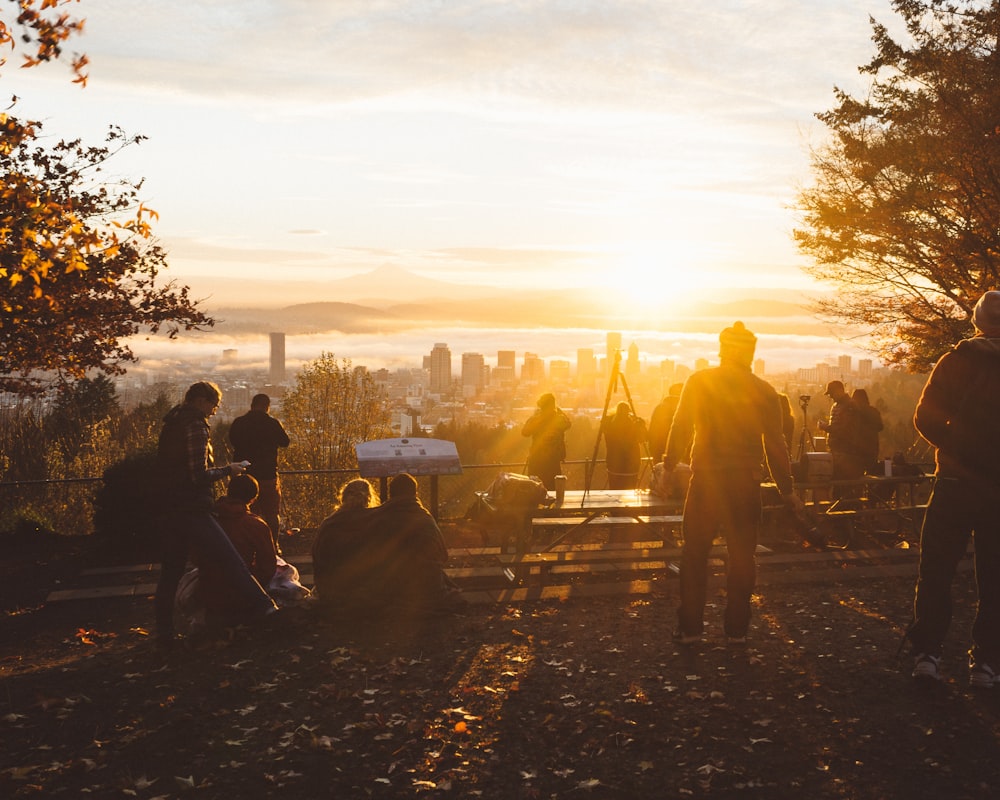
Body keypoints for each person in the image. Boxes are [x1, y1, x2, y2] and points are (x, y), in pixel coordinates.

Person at [661, 321, 803, 644]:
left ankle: (691, 629)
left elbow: (680, 426)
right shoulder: (764, 391)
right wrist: (788, 489)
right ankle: (736, 630)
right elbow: (776, 445)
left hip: (706, 480)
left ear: (722, 350)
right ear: (750, 354)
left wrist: (669, 466)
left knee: (695, 553)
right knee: (742, 556)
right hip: (746, 483)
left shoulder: (699, 382)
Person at [906, 290, 1000, 688]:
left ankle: (928, 653)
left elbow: (924, 418)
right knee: (996, 576)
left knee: (936, 571)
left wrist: (955, 446)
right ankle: (987, 663)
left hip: (954, 483)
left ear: (977, 321)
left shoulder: (954, 361)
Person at [153, 381, 277, 649]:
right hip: (192, 506)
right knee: (230, 558)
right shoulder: (195, 426)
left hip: (169, 507)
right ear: (201, 401)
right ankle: (267, 609)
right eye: (213, 404)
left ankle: (163, 632)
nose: (214, 411)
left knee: (171, 571)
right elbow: (197, 474)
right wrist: (227, 470)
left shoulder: (172, 422)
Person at [367, 473, 465, 613]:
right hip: (430, 591)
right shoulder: (426, 519)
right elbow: (443, 556)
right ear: (415, 493)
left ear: (391, 494)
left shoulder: (378, 517)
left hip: (393, 591)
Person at [229, 393, 291, 550]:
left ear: (252, 405)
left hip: (244, 476)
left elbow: (233, 441)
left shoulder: (239, 423)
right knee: (271, 514)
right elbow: (285, 442)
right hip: (267, 475)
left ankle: (248, 547)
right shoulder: (272, 424)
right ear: (267, 406)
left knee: (246, 513)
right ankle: (273, 546)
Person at [311, 478, 380, 607]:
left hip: (332, 591)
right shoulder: (376, 521)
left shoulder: (329, 523)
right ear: (369, 498)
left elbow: (318, 557)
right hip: (368, 592)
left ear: (343, 498)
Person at [817, 380, 864, 495]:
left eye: (831, 393)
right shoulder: (837, 405)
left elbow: (843, 430)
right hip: (837, 453)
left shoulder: (850, 405)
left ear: (839, 391)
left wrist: (825, 427)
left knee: (842, 489)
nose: (831, 397)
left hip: (846, 454)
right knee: (838, 488)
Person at [521, 392, 571, 490]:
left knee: (534, 490)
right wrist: (559, 411)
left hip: (537, 460)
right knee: (553, 490)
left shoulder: (537, 420)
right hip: (553, 461)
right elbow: (568, 423)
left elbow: (525, 432)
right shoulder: (558, 419)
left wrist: (536, 417)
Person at [601, 401, 648, 489]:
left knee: (615, 489)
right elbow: (643, 439)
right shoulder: (634, 425)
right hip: (632, 464)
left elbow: (604, 426)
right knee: (630, 489)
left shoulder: (610, 424)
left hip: (614, 463)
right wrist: (641, 424)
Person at [647, 383, 683, 464]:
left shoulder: (659, 408)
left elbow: (652, 432)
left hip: (657, 453)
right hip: (676, 455)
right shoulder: (681, 410)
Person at [851, 388, 884, 474]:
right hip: (872, 448)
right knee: (872, 474)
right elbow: (880, 427)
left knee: (857, 476)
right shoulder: (874, 411)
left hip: (857, 450)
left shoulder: (854, 412)